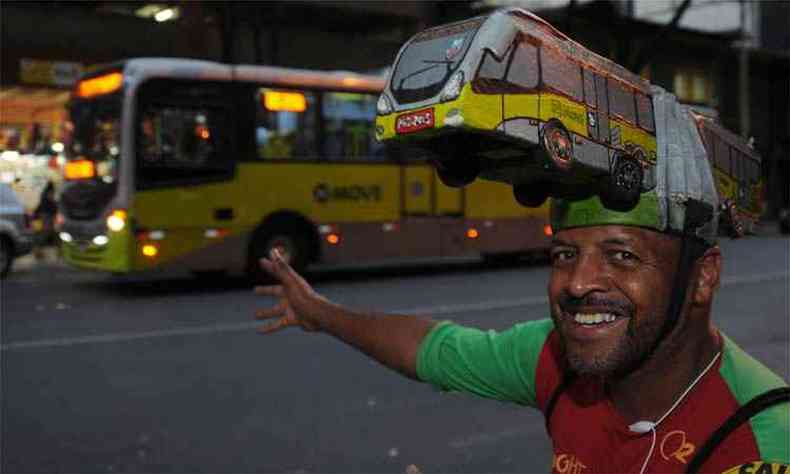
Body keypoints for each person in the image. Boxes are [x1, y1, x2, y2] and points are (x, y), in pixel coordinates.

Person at [252, 90, 788, 472]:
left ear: (702, 278)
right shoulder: (554, 359)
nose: (577, 283)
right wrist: (319, 312)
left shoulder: (762, 439)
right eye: (564, 253)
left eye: (621, 256)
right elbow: (433, 349)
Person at [33, 181, 58, 260]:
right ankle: (38, 251)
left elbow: (41, 205)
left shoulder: (43, 193)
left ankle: (38, 251)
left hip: (44, 215)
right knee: (45, 233)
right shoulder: (48, 193)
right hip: (47, 215)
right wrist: (56, 208)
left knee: (49, 233)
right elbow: (51, 203)